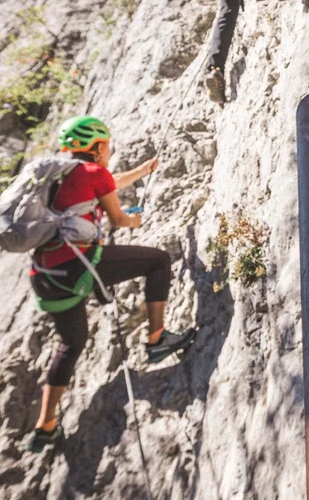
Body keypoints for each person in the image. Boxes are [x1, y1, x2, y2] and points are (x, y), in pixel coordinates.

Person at [24, 115, 195, 452]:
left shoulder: (59, 176)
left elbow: (104, 186)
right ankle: (158, 339)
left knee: (70, 344)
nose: (109, 151)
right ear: (98, 146)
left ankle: (45, 426)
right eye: (108, 146)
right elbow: (117, 216)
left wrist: (143, 172)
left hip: (44, 278)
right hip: (78, 266)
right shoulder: (93, 173)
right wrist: (134, 219)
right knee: (158, 261)